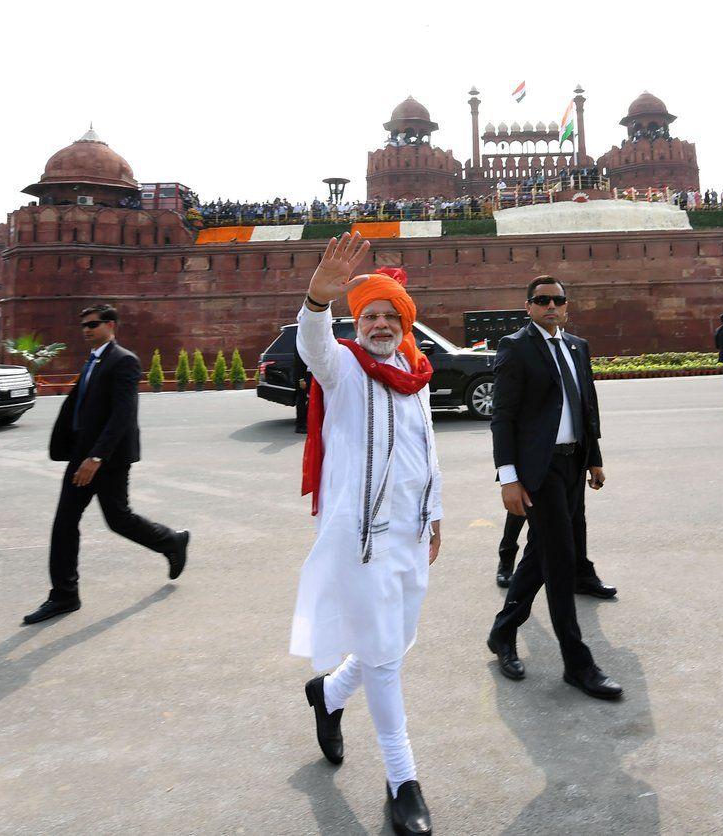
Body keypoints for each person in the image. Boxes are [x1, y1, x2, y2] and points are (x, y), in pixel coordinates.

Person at [293, 233, 440, 836]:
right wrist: (317, 301)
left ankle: (327, 694)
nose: (378, 323)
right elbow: (314, 347)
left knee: (395, 640)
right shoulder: (347, 368)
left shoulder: (416, 372)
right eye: (369, 314)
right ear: (359, 321)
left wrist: (435, 514)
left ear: (404, 323)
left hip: (409, 531)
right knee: (384, 658)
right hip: (361, 538)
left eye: (389, 315)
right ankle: (402, 780)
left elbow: (425, 451)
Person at [486, 276, 622, 700]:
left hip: (572, 465)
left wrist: (594, 457)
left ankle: (503, 632)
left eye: (557, 300)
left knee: (541, 554)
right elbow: (502, 415)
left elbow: (587, 405)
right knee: (561, 561)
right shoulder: (516, 346)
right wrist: (509, 477)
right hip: (538, 471)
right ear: (528, 306)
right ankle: (577, 663)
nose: (550, 306)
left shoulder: (578, 347)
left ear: (567, 306)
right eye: (541, 300)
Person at [24, 304, 189, 625]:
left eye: (93, 324)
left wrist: (96, 458)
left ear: (110, 325)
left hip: (107, 459)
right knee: (64, 523)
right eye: (83, 324)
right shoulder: (92, 361)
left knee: (119, 519)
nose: (86, 329)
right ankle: (64, 595)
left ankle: (172, 540)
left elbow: (122, 415)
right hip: (81, 456)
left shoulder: (124, 361)